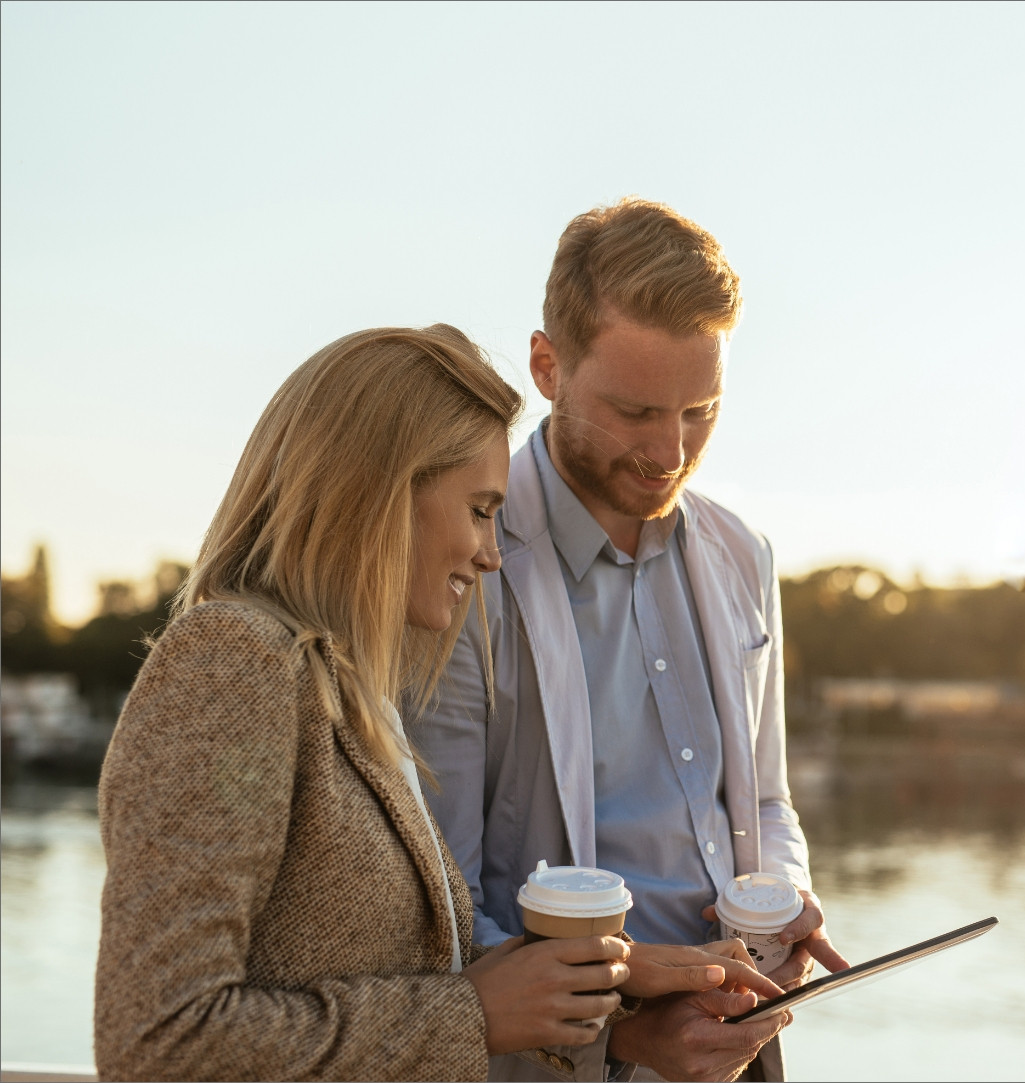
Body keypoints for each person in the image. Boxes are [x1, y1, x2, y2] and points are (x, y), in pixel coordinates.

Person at [93, 325, 779, 1082]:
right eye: (481, 509)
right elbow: (157, 1040)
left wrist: (628, 999)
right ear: (380, 495)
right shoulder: (232, 661)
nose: (492, 552)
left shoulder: (348, 690)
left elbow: (413, 964)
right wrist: (471, 1015)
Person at [408, 199, 848, 1083]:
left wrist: (782, 902)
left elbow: (764, 802)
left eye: (700, 411)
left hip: (740, 1047)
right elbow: (437, 895)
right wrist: (621, 1029)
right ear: (548, 365)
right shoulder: (464, 560)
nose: (668, 452)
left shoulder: (743, 555)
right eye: (635, 410)